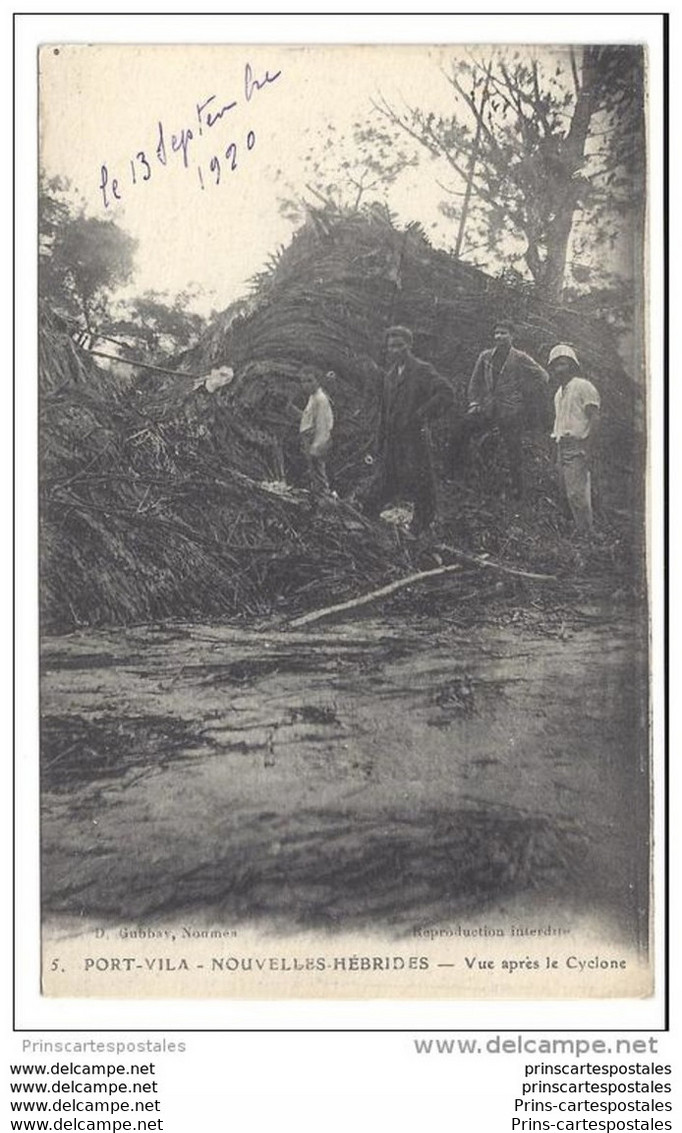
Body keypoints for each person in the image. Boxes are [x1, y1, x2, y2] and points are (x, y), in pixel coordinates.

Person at [363, 325, 456, 535]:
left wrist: (422, 414)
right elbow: (385, 410)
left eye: (399, 345)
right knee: (386, 478)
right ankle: (370, 519)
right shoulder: (390, 376)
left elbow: (446, 392)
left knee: (421, 481)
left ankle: (422, 525)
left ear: (409, 345)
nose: (395, 350)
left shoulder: (421, 370)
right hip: (393, 439)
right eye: (391, 347)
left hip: (414, 438)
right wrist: (380, 438)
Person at [464, 318, 549, 497]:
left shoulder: (519, 357)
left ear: (512, 336)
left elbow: (543, 376)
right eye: (496, 333)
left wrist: (524, 390)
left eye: (503, 333)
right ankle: (485, 485)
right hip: (488, 409)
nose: (499, 336)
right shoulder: (485, 356)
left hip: (511, 411)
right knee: (483, 443)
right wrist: (474, 402)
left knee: (514, 450)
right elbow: (474, 382)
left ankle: (518, 491)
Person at [548, 343, 601, 535]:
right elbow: (560, 424)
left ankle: (587, 535)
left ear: (572, 365)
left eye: (563, 364)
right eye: (555, 365)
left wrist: (588, 448)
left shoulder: (583, 386)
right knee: (565, 492)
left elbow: (594, 417)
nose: (559, 369)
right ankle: (575, 534)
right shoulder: (559, 394)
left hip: (578, 446)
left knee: (577, 494)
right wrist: (555, 451)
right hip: (563, 446)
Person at [299, 365, 334, 496]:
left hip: (315, 440)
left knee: (319, 471)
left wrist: (317, 446)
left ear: (318, 381)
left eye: (309, 381)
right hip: (308, 439)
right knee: (313, 471)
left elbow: (322, 424)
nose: (306, 385)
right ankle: (317, 494)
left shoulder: (321, 399)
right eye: (303, 381)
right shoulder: (313, 397)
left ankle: (324, 495)